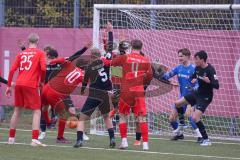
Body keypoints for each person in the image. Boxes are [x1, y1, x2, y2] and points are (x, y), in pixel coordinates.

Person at [111, 39, 153, 150]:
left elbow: (112, 63)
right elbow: (149, 77)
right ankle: (145, 144)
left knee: (123, 116)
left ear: (131, 47)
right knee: (142, 117)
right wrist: (143, 84)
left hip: (126, 90)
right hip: (139, 90)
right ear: (141, 47)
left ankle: (124, 142)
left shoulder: (126, 57)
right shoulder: (146, 60)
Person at [6, 33, 46, 146]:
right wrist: (42, 81)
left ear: (28, 42)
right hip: (31, 84)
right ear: (37, 41)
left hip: (19, 83)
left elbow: (11, 70)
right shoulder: (40, 53)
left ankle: (11, 138)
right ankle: (34, 139)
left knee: (17, 110)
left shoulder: (21, 53)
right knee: (37, 111)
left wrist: (9, 86)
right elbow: (43, 68)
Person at [174, 50, 219, 146]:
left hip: (205, 97)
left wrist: (209, 82)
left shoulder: (210, 70)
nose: (195, 61)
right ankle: (182, 124)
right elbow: (193, 76)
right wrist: (192, 78)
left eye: (197, 59)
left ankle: (206, 139)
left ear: (202, 60)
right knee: (177, 103)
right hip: (196, 93)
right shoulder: (197, 68)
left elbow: (217, 85)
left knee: (195, 117)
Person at [73, 48, 116, 148]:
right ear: (99, 55)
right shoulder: (105, 63)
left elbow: (84, 81)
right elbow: (113, 66)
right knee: (106, 117)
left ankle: (79, 140)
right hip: (105, 94)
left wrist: (83, 89)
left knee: (81, 119)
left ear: (91, 56)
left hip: (94, 94)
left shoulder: (89, 67)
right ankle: (112, 138)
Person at [162, 48, 202, 142]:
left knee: (191, 117)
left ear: (188, 56)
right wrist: (159, 72)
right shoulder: (178, 68)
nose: (179, 58)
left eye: (181, 56)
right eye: (179, 56)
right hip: (182, 98)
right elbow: (167, 76)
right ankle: (179, 135)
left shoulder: (194, 69)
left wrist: (193, 89)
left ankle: (201, 136)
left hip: (192, 97)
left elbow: (199, 84)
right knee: (171, 118)